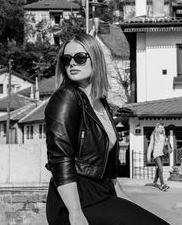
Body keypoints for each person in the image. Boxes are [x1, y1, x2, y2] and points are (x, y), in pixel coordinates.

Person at [45, 34, 168, 225]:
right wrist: (75, 212)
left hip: (102, 193)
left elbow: (109, 173)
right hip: (77, 199)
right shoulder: (67, 97)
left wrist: (129, 203)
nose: (72, 64)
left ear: (95, 59)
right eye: (66, 59)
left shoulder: (101, 103)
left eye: (80, 57)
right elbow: (60, 159)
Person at [147, 123, 170, 191]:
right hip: (156, 154)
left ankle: (154, 183)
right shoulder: (154, 135)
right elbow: (151, 145)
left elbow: (164, 145)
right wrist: (148, 155)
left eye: (162, 128)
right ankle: (162, 185)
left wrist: (166, 142)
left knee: (158, 170)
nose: (161, 129)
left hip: (162, 154)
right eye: (160, 128)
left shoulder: (163, 135)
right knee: (161, 169)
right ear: (157, 128)